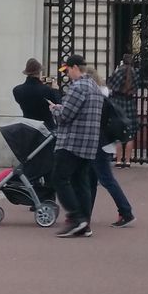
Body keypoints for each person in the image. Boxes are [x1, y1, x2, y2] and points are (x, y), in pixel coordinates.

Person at [49, 54, 104, 238]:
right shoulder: (95, 87)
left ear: (74, 67)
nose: (67, 75)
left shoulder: (78, 86)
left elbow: (65, 116)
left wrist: (55, 109)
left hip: (72, 142)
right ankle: (84, 223)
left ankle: (75, 217)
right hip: (89, 142)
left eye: (67, 70)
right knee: (82, 182)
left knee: (59, 178)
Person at [90, 67, 136, 227]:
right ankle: (84, 213)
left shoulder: (97, 98)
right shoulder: (104, 95)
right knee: (94, 179)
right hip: (103, 142)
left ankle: (126, 211)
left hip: (99, 142)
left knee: (105, 179)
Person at [108, 54, 140, 168]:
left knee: (118, 133)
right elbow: (136, 88)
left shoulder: (119, 71)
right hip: (129, 102)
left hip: (118, 102)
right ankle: (127, 161)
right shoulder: (135, 72)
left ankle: (118, 160)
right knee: (130, 134)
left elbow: (110, 84)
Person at [14, 57, 61, 124]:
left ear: (27, 73)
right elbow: (58, 104)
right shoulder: (47, 90)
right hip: (45, 128)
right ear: (39, 72)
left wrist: (40, 83)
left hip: (29, 126)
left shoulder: (17, 90)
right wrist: (55, 90)